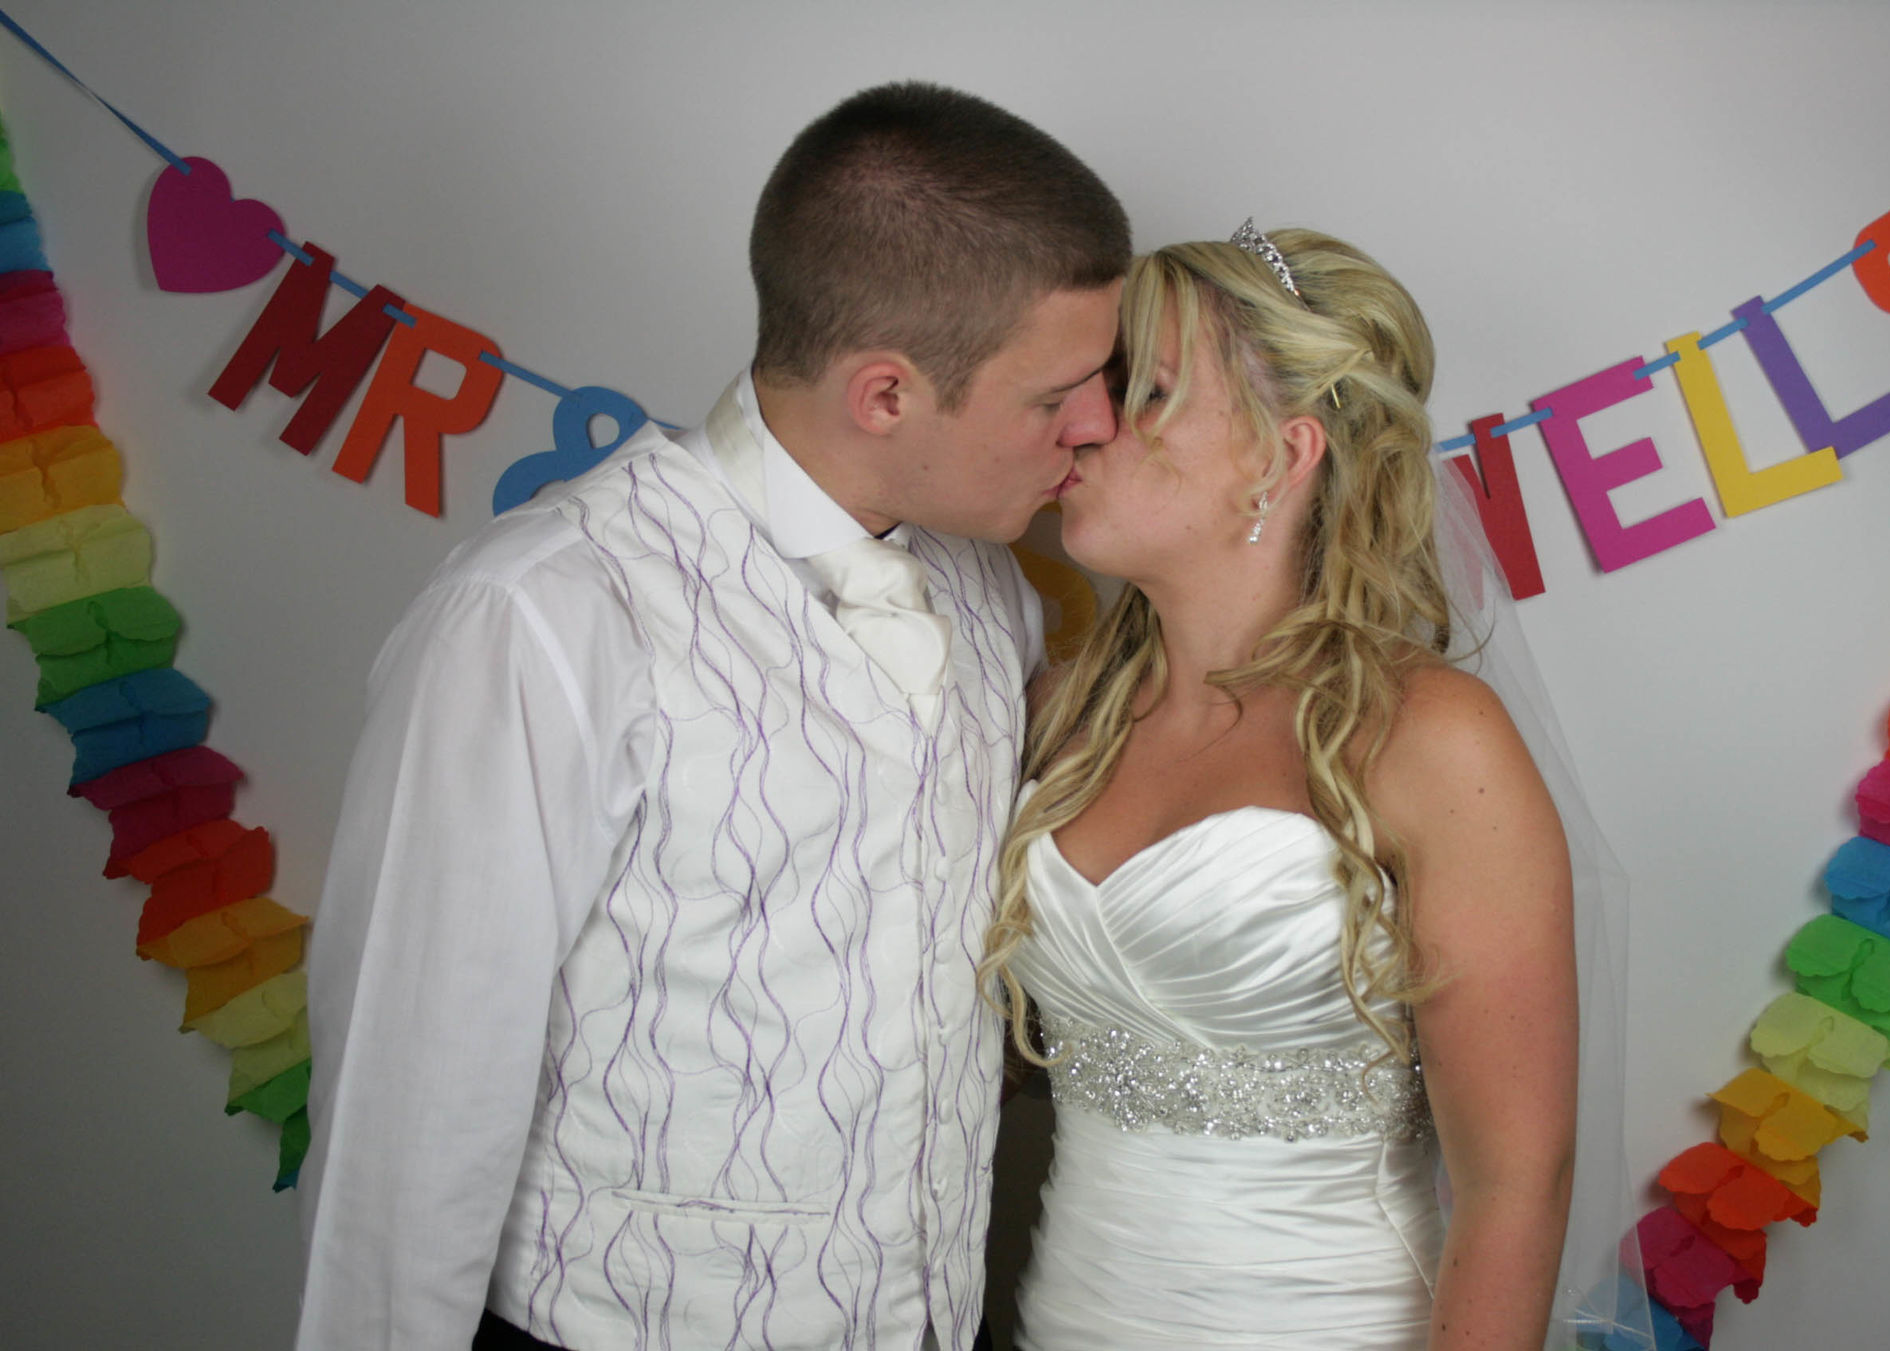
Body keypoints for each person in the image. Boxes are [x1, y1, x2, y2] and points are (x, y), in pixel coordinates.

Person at [296, 83, 1129, 1351]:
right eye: (1055, 393)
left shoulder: (988, 584)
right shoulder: (545, 614)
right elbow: (406, 1095)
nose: (1100, 425)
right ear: (885, 394)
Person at [982, 224, 1603, 1350]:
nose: (1084, 424)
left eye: (1147, 391)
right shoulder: (1056, 713)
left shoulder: (1429, 739)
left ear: (1281, 454)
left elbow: (1517, 1181)